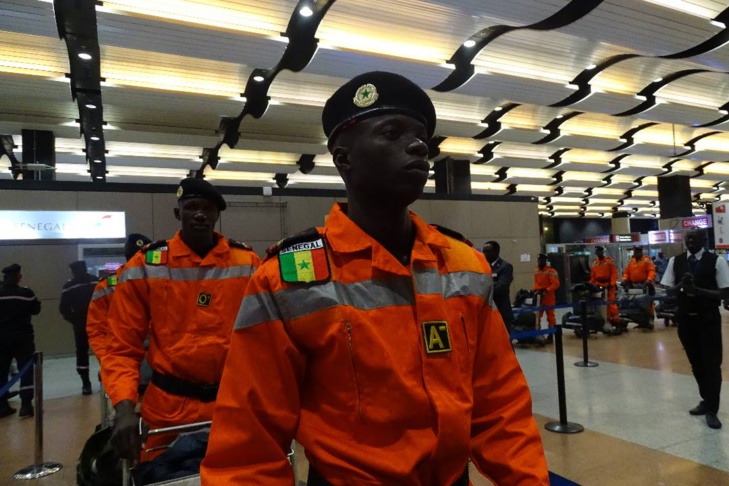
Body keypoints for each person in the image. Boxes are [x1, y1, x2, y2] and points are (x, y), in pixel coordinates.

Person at [201, 71, 549, 485]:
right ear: (343, 158)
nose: (419, 145)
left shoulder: (464, 266)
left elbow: (500, 405)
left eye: (422, 136)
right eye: (391, 132)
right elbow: (248, 448)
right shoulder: (287, 281)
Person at [104, 178, 260, 463]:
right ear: (178, 213)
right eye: (191, 207)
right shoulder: (145, 266)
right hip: (166, 408)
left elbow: (267, 337)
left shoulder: (247, 262)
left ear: (217, 214)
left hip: (233, 402)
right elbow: (121, 347)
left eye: (207, 208)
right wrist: (124, 410)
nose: (199, 214)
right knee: (158, 476)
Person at [660, 229, 729, 430]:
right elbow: (668, 290)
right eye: (687, 238)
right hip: (686, 320)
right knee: (696, 364)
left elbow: (724, 293)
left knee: (712, 365)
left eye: (695, 238)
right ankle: (706, 400)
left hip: (708, 320)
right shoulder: (676, 261)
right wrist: (682, 284)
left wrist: (696, 291)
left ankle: (712, 410)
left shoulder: (716, 261)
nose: (690, 241)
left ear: (704, 240)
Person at [87, 234, 152, 368]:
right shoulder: (106, 287)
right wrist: (109, 360)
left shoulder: (164, 280)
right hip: (122, 359)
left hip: (163, 362)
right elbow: (97, 330)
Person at [0, 264, 41, 418]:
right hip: (23, 339)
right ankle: (26, 405)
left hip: (1, 339)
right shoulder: (26, 293)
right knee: (26, 370)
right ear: (18, 277)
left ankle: (2, 406)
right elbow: (36, 310)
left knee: (1, 371)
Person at [60, 260, 97, 395]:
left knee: (85, 352)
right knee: (86, 352)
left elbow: (64, 310)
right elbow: (64, 309)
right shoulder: (95, 281)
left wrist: (76, 320)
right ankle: (87, 382)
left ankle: (89, 383)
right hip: (91, 324)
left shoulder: (71, 286)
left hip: (91, 324)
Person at [622, 245, 657, 328]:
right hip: (634, 286)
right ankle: (641, 321)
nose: (636, 253)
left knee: (647, 303)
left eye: (638, 251)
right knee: (635, 303)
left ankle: (650, 319)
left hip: (645, 285)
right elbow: (627, 272)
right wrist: (625, 280)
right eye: (635, 251)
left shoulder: (647, 260)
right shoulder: (631, 261)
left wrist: (649, 280)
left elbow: (651, 271)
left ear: (641, 251)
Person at [589, 246, 621, 331]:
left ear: (602, 252)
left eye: (599, 251)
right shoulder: (595, 263)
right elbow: (593, 277)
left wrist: (612, 284)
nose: (598, 253)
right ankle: (604, 321)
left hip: (608, 286)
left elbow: (614, 274)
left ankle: (617, 323)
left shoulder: (610, 262)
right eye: (597, 252)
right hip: (599, 286)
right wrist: (590, 285)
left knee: (611, 305)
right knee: (601, 306)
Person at [483, 240, 514, 328]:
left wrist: (483, 288)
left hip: (501, 311)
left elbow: (501, 287)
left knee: (504, 340)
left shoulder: (505, 267)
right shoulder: (483, 266)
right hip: (487, 312)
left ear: (496, 252)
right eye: (484, 251)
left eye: (488, 251)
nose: (485, 254)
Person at [533, 253, 560, 334]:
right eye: (538, 260)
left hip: (548, 296)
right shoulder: (536, 270)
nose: (539, 261)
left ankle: (551, 334)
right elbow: (536, 282)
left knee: (550, 317)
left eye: (541, 260)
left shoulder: (551, 271)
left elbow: (556, 284)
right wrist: (534, 290)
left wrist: (546, 290)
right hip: (539, 296)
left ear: (545, 260)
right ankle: (538, 333)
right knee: (537, 316)